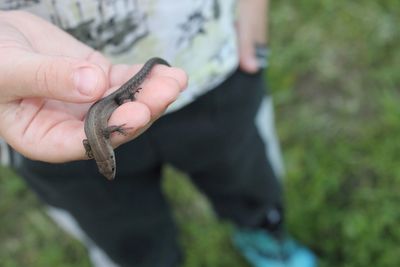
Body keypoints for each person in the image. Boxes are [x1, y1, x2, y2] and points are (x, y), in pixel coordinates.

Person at [0, 1, 316, 267]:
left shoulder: (100, 138)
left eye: (108, 162)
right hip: (48, 105)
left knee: (243, 172)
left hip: (209, 70)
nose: (109, 161)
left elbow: (101, 126)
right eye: (108, 161)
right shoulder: (97, 143)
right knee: (120, 227)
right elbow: (97, 133)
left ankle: (261, 228)